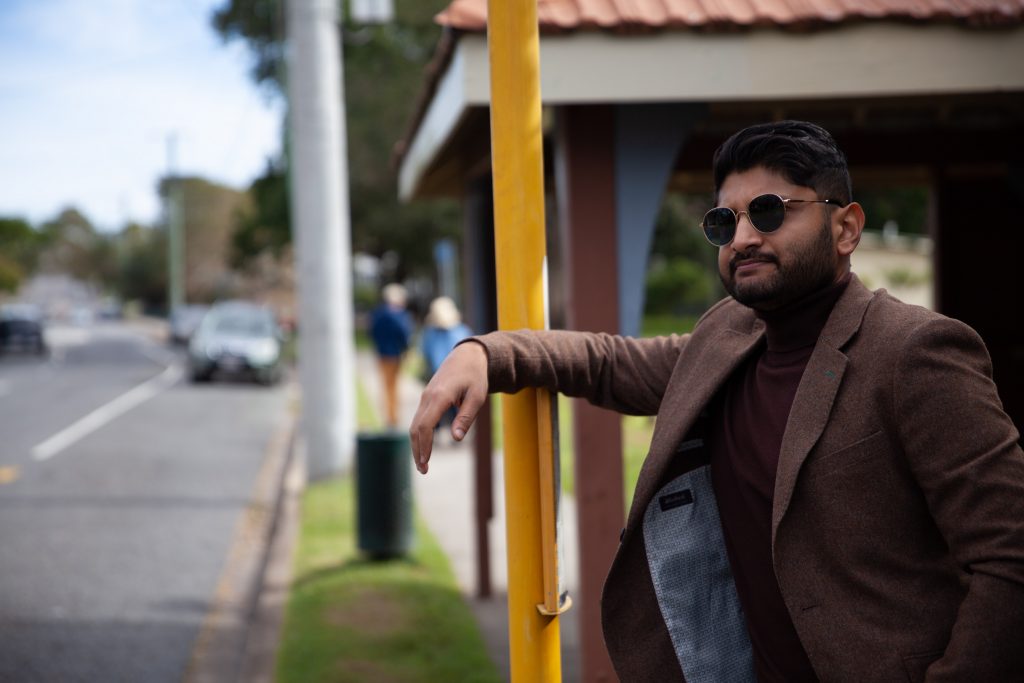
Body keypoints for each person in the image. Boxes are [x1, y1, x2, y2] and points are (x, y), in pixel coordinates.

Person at [409, 121, 1024, 682]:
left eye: (769, 212)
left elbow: (1008, 555)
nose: (745, 238)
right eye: (724, 224)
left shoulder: (915, 352)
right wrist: (485, 353)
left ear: (847, 227)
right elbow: (609, 361)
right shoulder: (727, 336)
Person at [419, 296, 472, 432]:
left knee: (438, 405)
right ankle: (452, 428)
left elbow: (425, 351)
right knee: (451, 404)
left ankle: (442, 428)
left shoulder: (430, 333)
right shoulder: (461, 331)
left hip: (441, 374)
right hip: (450, 374)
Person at [370, 283, 413, 428]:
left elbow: (373, 332)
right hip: (395, 354)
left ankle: (390, 415)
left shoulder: (378, 314)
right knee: (394, 386)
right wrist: (406, 348)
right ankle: (393, 417)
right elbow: (404, 334)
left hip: (382, 353)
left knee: (386, 386)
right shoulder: (399, 315)